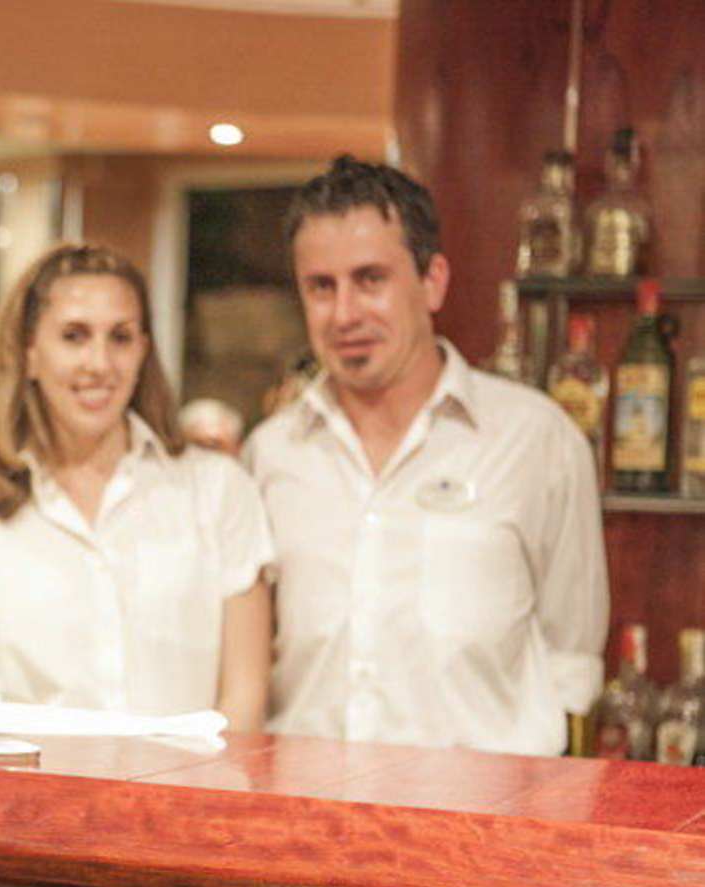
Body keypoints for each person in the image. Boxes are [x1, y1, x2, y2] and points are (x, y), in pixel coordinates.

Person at [242, 155, 609, 755]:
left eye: (370, 279)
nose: (345, 314)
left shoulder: (536, 439)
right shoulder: (271, 453)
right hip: (303, 800)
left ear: (433, 281)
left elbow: (572, 654)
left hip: (487, 804)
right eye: (321, 287)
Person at [0, 243, 274, 729]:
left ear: (143, 351)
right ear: (29, 354)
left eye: (120, 337)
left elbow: (245, 700)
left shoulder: (219, 488)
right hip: (20, 779)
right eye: (74, 336)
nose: (99, 363)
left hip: (191, 778)